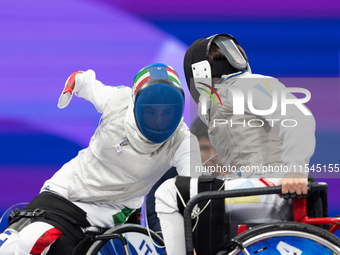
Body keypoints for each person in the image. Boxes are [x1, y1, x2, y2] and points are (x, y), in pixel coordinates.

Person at [0, 63, 202, 255]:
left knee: (37, 241)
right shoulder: (119, 101)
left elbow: (194, 186)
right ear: (136, 103)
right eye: (151, 111)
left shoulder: (182, 141)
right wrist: (74, 83)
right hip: (65, 192)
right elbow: (87, 83)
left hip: (113, 215)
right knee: (16, 244)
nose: (159, 121)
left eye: (167, 112)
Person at [155, 34, 316, 254]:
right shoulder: (225, 97)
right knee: (197, 192)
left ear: (199, 72)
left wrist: (296, 170)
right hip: (256, 190)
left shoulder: (247, 85)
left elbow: (300, 118)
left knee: (168, 193)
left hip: (271, 191)